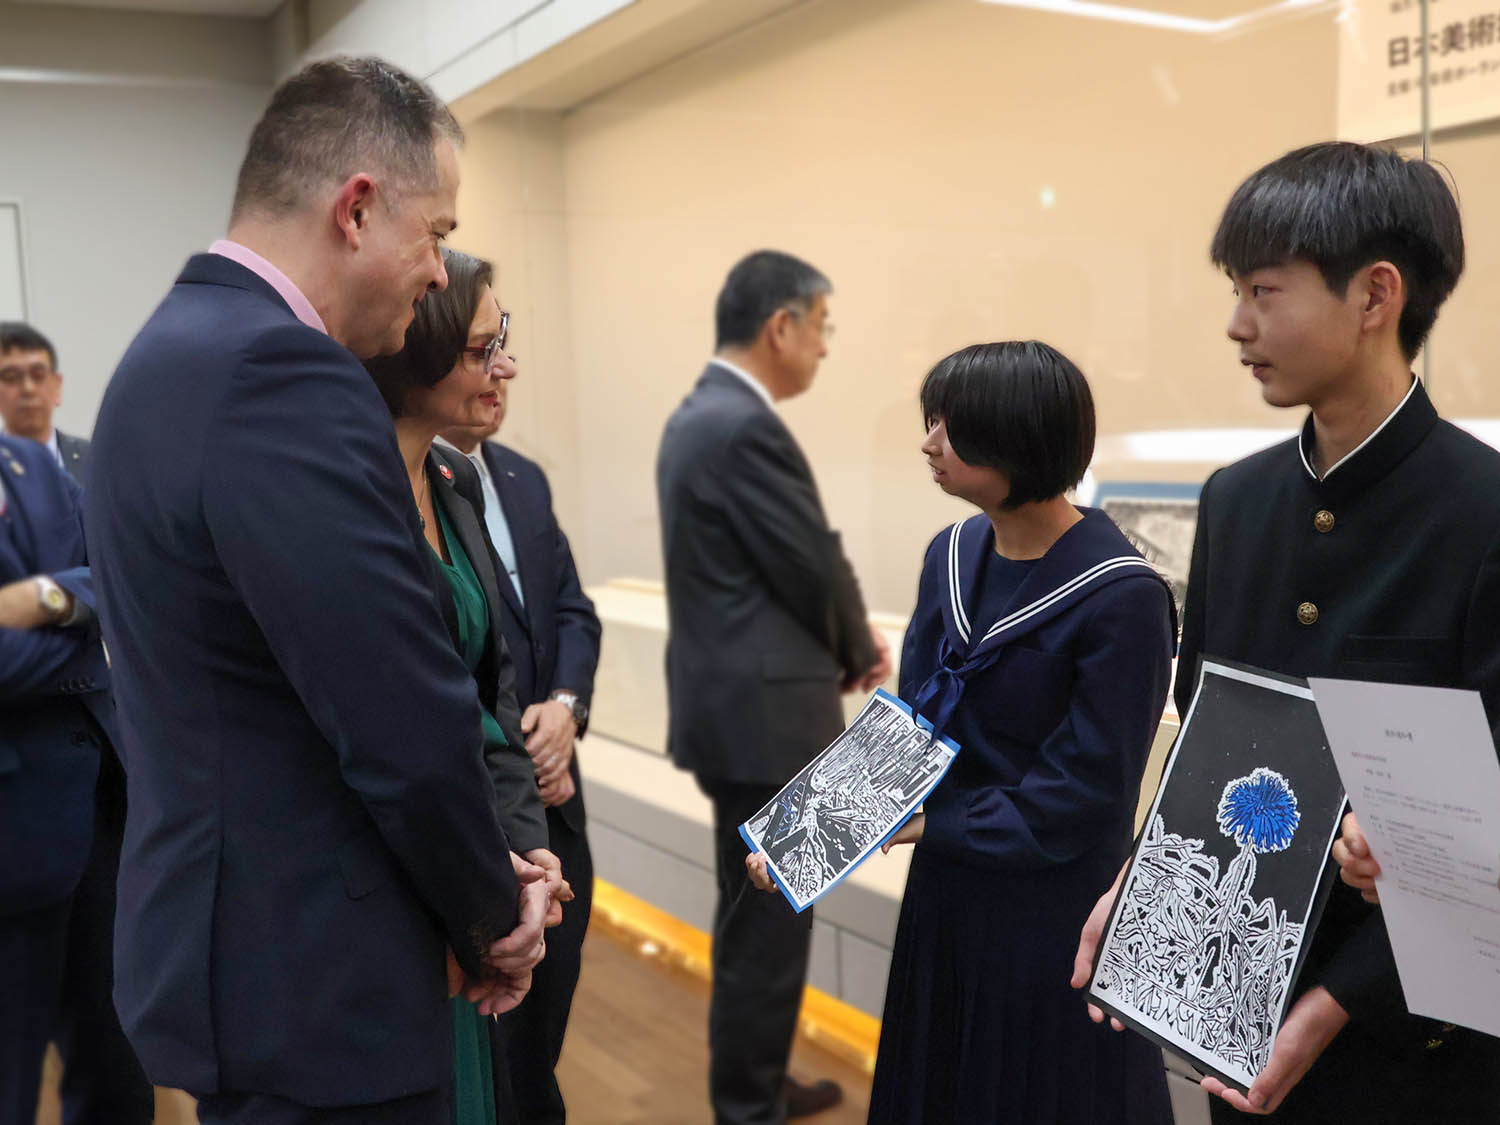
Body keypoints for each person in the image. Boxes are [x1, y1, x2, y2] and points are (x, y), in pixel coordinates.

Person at [85, 57, 549, 1125]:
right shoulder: (283, 376)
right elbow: (395, 710)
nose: (440, 273)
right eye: (435, 234)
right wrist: (493, 912)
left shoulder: (166, 355)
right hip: (319, 978)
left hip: (243, 963)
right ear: (356, 209)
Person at [1072, 141, 1500, 1122]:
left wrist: (1335, 1004)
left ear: (1375, 295)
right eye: (1236, 290)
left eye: (1264, 290)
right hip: (1233, 1003)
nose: (1236, 324)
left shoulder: (1483, 516)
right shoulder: (1238, 501)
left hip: (1412, 1038)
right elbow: (1210, 736)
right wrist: (1145, 882)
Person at [753, 342, 1177, 1123]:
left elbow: (1083, 792)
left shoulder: (1123, 595)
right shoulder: (950, 553)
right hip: (948, 895)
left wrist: (931, 823)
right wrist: (807, 835)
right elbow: (906, 724)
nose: (928, 442)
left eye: (949, 425)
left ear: (1017, 438)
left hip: (1052, 914)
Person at [656, 249, 890, 1124]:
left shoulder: (699, 415)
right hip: (769, 723)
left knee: (753, 922)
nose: (825, 348)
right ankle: (747, 1103)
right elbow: (808, 558)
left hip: (737, 715)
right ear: (781, 325)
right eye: (822, 326)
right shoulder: (742, 424)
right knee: (768, 929)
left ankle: (754, 1079)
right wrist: (859, 642)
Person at [365, 246, 576, 1125]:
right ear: (419, 347)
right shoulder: (349, 499)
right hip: (398, 891)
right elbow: (393, 734)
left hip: (481, 872)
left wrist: (528, 860)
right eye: (485, 348)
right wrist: (487, 893)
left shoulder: (451, 482)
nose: (507, 367)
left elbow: (491, 697)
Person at [437, 308, 603, 1125]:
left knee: (544, 1027)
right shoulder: (406, 497)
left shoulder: (521, 477)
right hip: (489, 823)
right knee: (493, 1047)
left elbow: (574, 612)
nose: (505, 372)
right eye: (484, 353)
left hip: (557, 813)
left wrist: (566, 711)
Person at [0, 433, 151, 1125]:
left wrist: (52, 597)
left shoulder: (69, 461)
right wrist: (88, 637)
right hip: (13, 825)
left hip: (106, 803)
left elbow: (126, 574)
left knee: (118, 1069)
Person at [0, 322, 90, 483]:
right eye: (11, 376)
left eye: (38, 374)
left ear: (57, 386)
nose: (28, 388)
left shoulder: (94, 460)